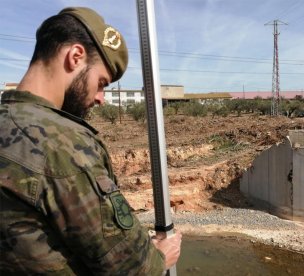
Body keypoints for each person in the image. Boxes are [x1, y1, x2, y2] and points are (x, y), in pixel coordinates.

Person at [0, 7, 181, 275]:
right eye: (101, 83)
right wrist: (158, 257)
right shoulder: (64, 145)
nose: (100, 98)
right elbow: (131, 269)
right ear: (75, 57)